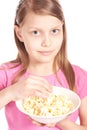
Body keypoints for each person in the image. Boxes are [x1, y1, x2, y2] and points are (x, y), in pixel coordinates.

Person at [0, 0, 87, 129]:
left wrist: (62, 121)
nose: (47, 42)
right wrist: (10, 93)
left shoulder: (77, 76)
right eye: (35, 32)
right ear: (19, 34)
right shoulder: (6, 74)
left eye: (54, 31)